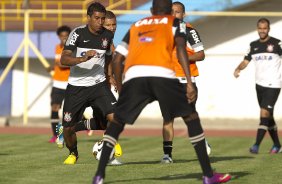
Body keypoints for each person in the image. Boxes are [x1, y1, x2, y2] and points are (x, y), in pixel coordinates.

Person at [93, 0, 231, 184]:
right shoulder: (176, 23)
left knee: (117, 122)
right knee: (191, 118)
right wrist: (189, 82)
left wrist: (122, 86)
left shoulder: (137, 25)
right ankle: (208, 176)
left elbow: (117, 59)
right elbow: (181, 49)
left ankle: (99, 176)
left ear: (151, 11)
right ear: (169, 11)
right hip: (162, 75)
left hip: (135, 76)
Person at [60, 2, 117, 165]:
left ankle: (108, 150)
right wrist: (81, 59)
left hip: (98, 84)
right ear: (89, 18)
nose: (100, 22)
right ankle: (73, 153)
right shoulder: (77, 34)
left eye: (102, 19)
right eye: (97, 18)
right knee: (68, 128)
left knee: (115, 118)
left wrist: (110, 76)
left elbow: (108, 57)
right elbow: (64, 59)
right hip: (76, 87)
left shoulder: (107, 35)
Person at [160, 1, 210, 163]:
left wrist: (182, 57)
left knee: (190, 118)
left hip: (186, 81)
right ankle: (167, 155)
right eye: (171, 12)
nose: (174, 15)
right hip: (168, 81)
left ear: (183, 14)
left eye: (178, 12)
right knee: (167, 119)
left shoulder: (189, 31)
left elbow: (201, 54)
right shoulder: (164, 32)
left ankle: (202, 143)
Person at [234, 18, 282, 154]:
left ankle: (256, 145)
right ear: (257, 29)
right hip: (259, 85)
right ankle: (277, 145)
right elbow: (245, 61)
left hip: (273, 84)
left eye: (265, 28)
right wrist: (238, 69)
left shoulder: (277, 43)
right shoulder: (253, 45)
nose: (262, 31)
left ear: (269, 29)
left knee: (264, 113)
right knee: (268, 116)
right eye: (260, 28)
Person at [48, 25, 71, 143]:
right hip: (57, 83)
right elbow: (60, 64)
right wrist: (55, 66)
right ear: (59, 37)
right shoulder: (57, 47)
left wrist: (62, 64)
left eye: (66, 36)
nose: (64, 38)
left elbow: (62, 64)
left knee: (69, 111)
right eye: (62, 36)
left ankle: (69, 133)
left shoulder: (72, 49)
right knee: (54, 108)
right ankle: (56, 135)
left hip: (69, 84)